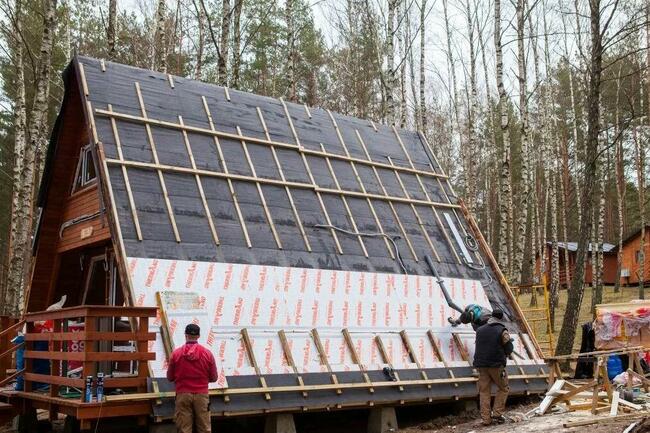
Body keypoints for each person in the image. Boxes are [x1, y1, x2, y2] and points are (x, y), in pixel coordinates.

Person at [167, 324, 219, 433]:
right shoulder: (207, 354)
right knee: (204, 428)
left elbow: (170, 377)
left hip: (182, 394)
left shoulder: (176, 354)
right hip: (202, 395)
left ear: (185, 335)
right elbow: (214, 378)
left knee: (184, 429)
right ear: (199, 336)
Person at [473, 309, 513, 426]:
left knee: (484, 391)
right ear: (500, 318)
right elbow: (509, 349)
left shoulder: (479, 330)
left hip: (481, 365)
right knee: (503, 387)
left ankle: (486, 419)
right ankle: (497, 414)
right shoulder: (502, 330)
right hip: (496, 365)